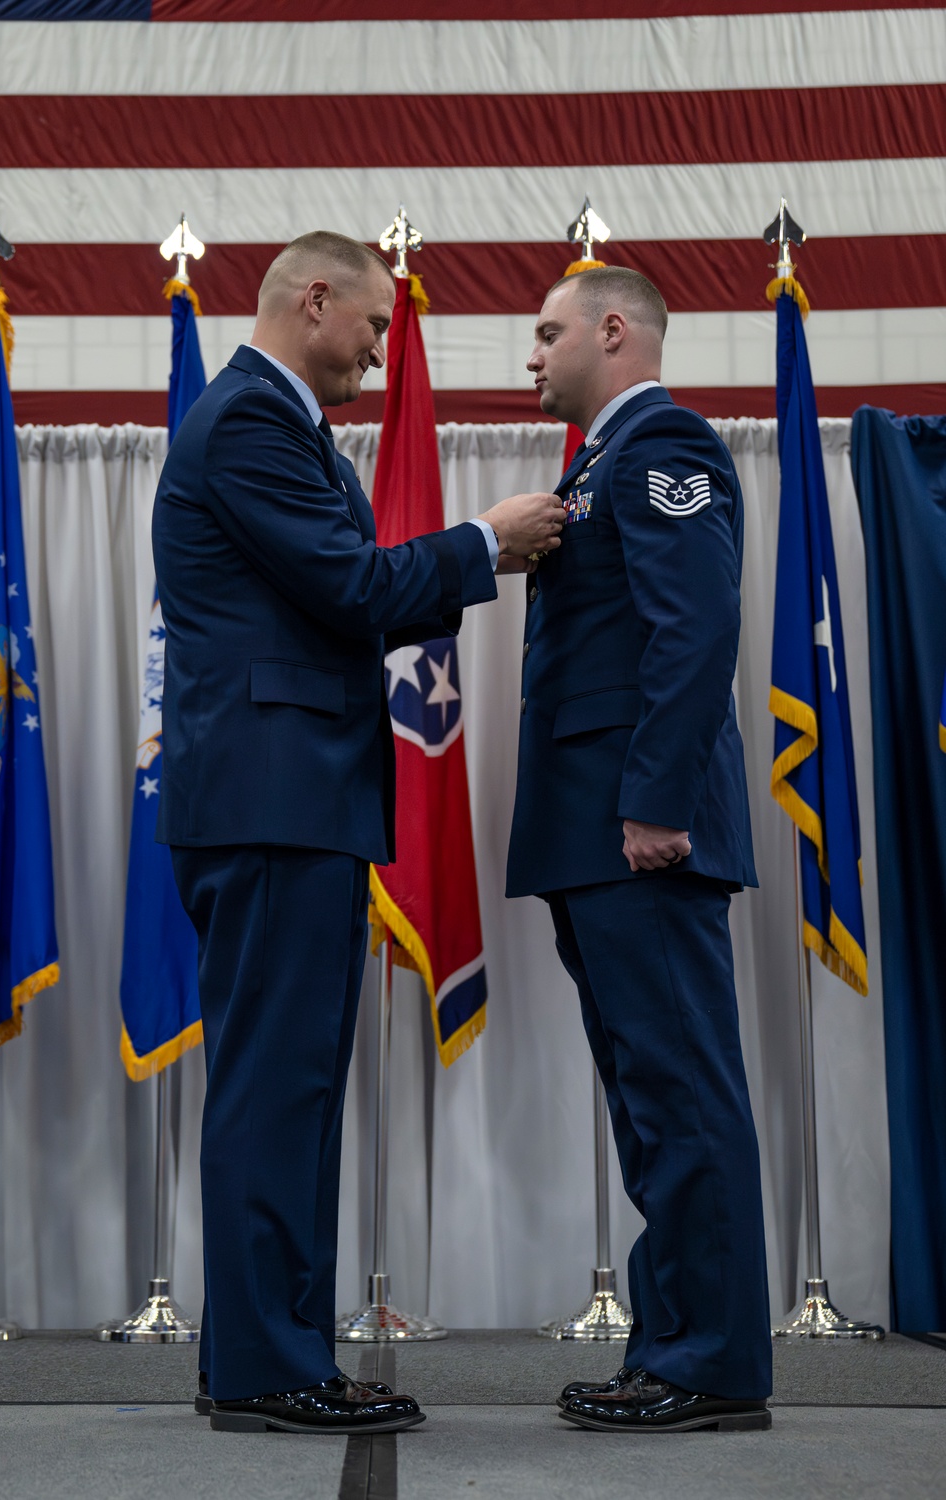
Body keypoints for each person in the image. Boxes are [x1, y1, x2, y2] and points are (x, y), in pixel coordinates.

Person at [153, 231, 565, 1435]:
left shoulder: (281, 431)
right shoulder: (247, 423)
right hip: (273, 804)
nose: (384, 350)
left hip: (293, 801)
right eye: (376, 324)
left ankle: (258, 1357)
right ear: (314, 299)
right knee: (275, 1092)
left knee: (285, 1087)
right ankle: (266, 1372)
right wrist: (487, 541)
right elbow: (353, 591)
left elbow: (346, 591)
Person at [508, 266, 772, 1434]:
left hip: (640, 833)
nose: (533, 356)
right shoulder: (603, 463)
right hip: (599, 834)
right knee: (647, 1099)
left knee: (681, 1093)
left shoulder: (664, 448)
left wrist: (657, 801)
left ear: (614, 331)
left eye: (548, 333)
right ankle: (673, 1345)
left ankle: (711, 1365)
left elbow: (696, 625)